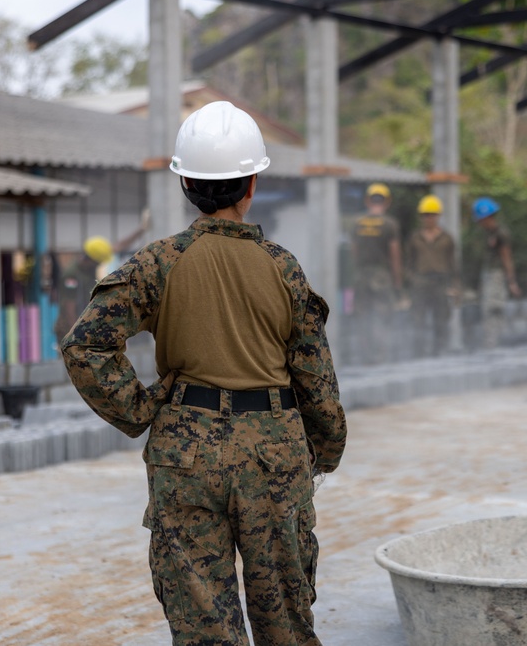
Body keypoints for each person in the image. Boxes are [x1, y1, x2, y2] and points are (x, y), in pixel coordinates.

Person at [60, 100, 347, 646]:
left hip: (184, 456)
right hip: (274, 458)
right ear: (252, 184)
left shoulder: (158, 262)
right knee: (284, 619)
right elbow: (317, 380)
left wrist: (140, 408)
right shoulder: (283, 267)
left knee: (205, 627)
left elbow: (87, 344)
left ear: (186, 183)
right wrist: (324, 451)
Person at [53, 215, 149, 347]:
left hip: (85, 325)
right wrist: (76, 335)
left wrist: (141, 229)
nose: (99, 265)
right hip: (70, 328)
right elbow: (70, 307)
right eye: (99, 262)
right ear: (91, 260)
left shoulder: (89, 266)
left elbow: (118, 246)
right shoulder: (72, 275)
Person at [350, 182, 404, 364]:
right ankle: (381, 358)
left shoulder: (357, 223)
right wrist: (397, 282)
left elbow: (354, 252)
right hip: (381, 276)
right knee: (382, 315)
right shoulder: (389, 224)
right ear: (387, 202)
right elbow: (394, 255)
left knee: (363, 316)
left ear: (367, 201)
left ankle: (365, 357)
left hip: (361, 275)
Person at [406, 194, 457, 357]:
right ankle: (418, 352)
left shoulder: (447, 238)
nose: (429, 218)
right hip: (421, 281)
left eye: (432, 215)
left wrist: (455, 287)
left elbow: (453, 264)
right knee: (418, 318)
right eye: (425, 215)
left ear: (438, 216)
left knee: (441, 319)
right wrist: (411, 282)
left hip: (441, 282)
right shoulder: (415, 238)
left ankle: (439, 351)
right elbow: (408, 262)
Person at [472, 197, 521, 349]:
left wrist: (511, 281)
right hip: (488, 274)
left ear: (487, 217)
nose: (480, 223)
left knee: (493, 308)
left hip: (497, 275)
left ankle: (492, 343)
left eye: (481, 219)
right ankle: (491, 341)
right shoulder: (489, 234)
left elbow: (506, 257)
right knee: (488, 308)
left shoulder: (501, 234)